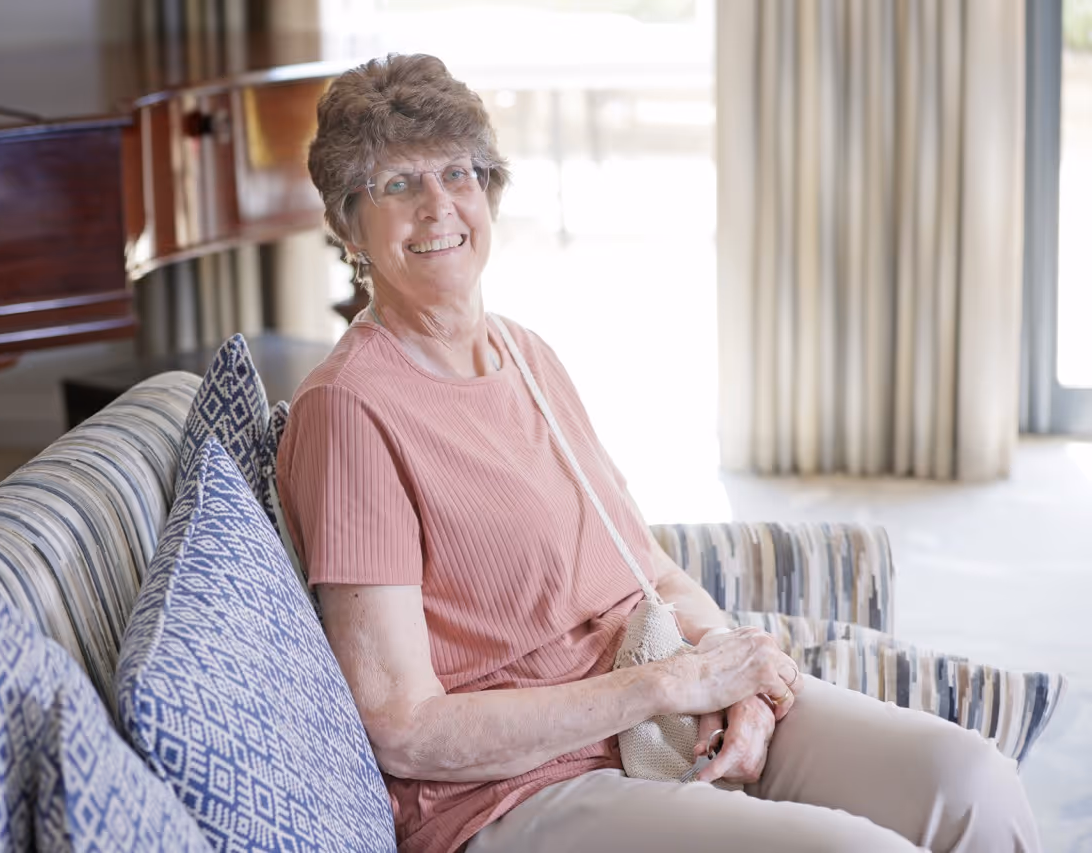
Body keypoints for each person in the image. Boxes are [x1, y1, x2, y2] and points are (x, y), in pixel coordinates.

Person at [276, 53, 1039, 853]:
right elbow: (403, 726)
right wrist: (666, 686)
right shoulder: (350, 411)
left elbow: (653, 573)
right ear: (349, 223)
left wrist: (733, 677)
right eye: (398, 185)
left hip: (669, 716)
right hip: (522, 790)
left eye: (458, 173)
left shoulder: (525, 355)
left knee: (972, 782)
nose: (438, 206)